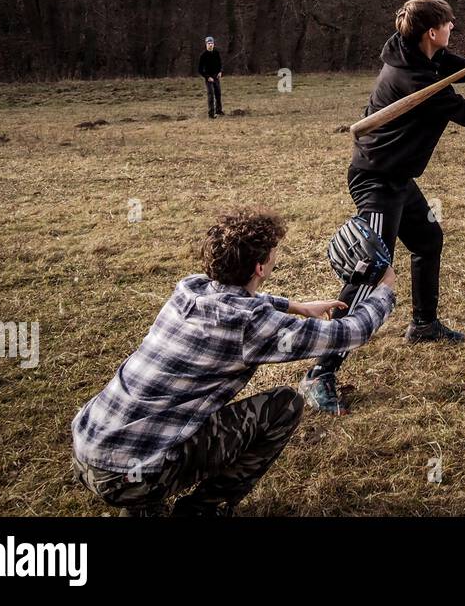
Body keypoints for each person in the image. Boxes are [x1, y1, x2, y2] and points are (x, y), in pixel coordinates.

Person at [71, 208, 396, 516]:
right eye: (272, 253)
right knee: (284, 406)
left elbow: (238, 298)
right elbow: (350, 333)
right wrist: (384, 287)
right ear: (260, 268)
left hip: (87, 451)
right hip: (126, 476)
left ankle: (142, 503)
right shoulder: (250, 324)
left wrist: (297, 306)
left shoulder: (189, 289)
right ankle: (201, 508)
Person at [300, 0, 465, 414]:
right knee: (369, 269)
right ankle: (320, 371)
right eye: (448, 24)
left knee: (427, 239)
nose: (452, 27)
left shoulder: (418, 53)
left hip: (398, 177)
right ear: (432, 32)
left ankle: (423, 324)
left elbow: (460, 67)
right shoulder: (415, 80)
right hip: (376, 179)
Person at [198, 36, 223, 117]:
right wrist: (207, 77)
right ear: (206, 44)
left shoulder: (216, 53)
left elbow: (220, 63)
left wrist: (220, 71)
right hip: (208, 77)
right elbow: (200, 70)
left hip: (216, 76)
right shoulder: (203, 55)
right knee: (211, 94)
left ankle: (219, 111)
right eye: (209, 43)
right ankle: (211, 113)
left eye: (212, 43)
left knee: (218, 93)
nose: (210, 45)